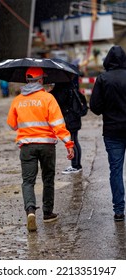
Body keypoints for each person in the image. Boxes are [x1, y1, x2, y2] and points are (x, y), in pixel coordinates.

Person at [7, 67, 74, 232]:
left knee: (28, 181)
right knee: (48, 179)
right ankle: (47, 213)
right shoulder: (48, 98)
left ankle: (30, 211)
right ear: (40, 80)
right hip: (46, 146)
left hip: (27, 146)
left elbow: (12, 124)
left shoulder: (17, 100)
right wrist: (68, 143)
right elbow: (58, 124)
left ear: (26, 80)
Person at [90, 45, 126, 222]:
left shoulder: (103, 79)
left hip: (112, 132)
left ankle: (119, 210)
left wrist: (109, 106)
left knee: (116, 170)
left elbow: (95, 107)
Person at [50, 80, 88, 174]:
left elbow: (59, 100)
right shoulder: (72, 86)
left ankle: (75, 166)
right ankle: (77, 165)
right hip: (75, 117)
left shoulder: (62, 88)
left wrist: (51, 92)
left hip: (69, 118)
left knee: (72, 141)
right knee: (75, 140)